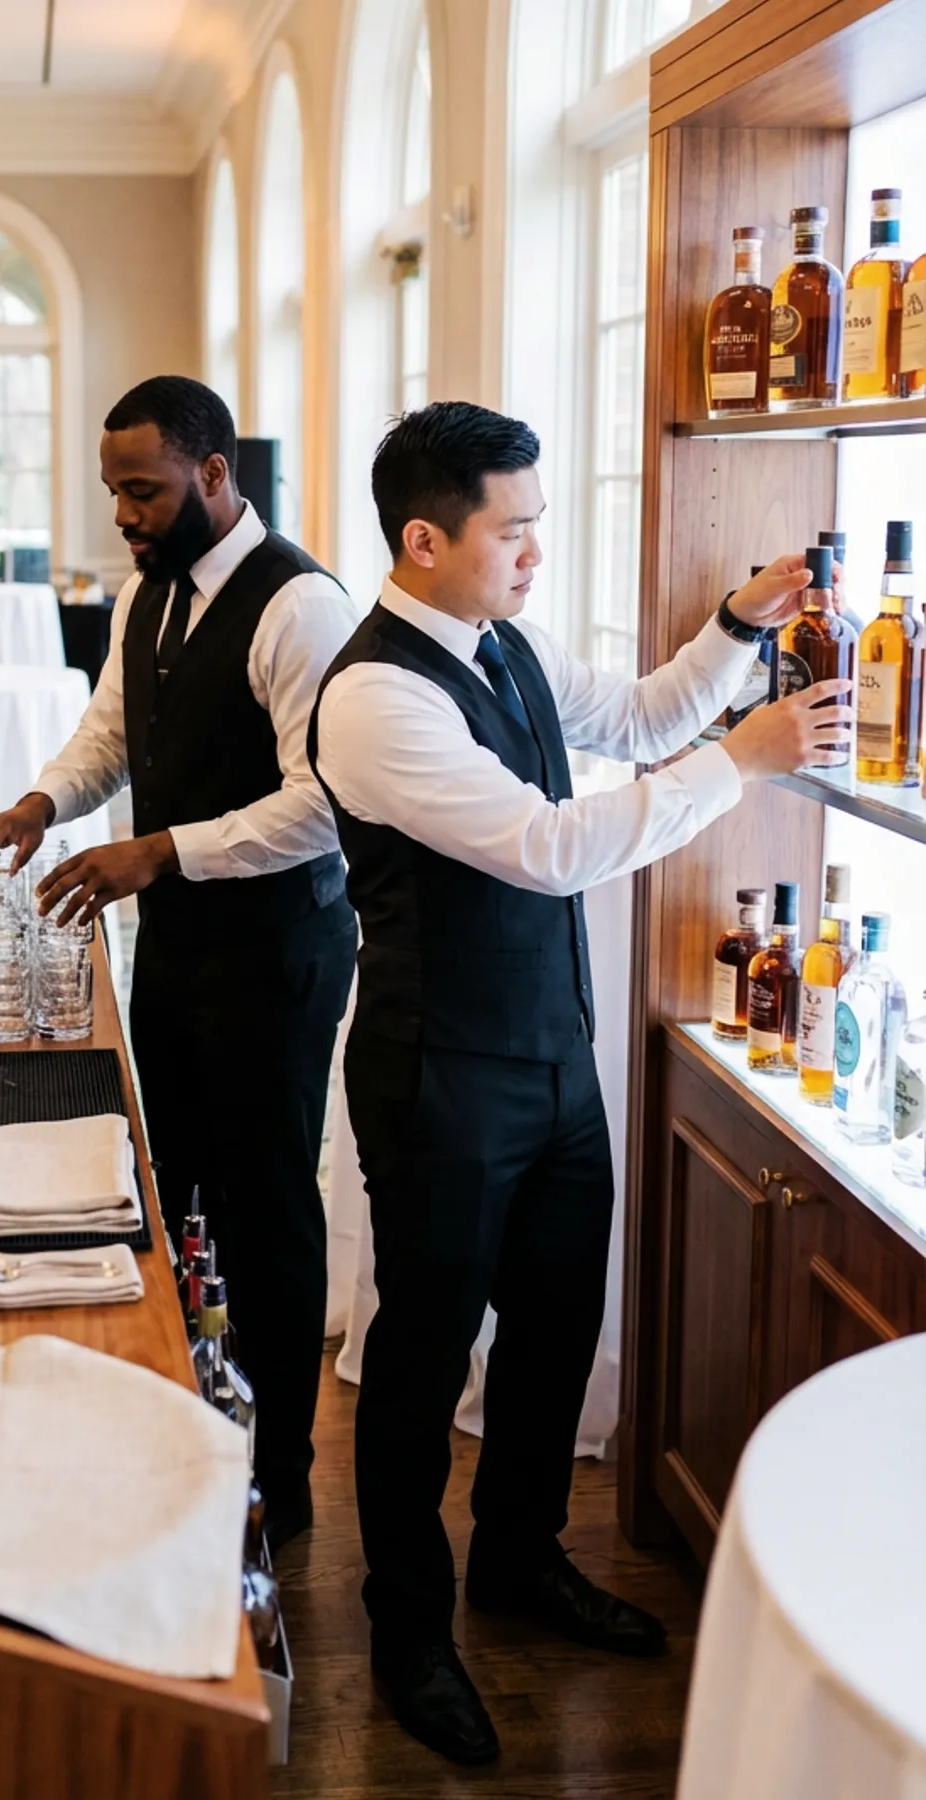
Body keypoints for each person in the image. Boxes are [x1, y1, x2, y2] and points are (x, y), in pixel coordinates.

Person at [306, 400, 853, 1767]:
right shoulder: (371, 696)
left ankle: (516, 1560)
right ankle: (410, 1629)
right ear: (425, 541)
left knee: (554, 1329)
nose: (537, 551)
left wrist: (733, 626)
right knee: (423, 1356)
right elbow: (548, 847)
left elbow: (640, 712)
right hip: (437, 1075)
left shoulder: (505, 643)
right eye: (518, 529)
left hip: (552, 1056)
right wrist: (737, 766)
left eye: (539, 524)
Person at [0, 375, 360, 1549]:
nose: (125, 515)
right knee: (173, 1187)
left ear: (214, 475)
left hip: (278, 954)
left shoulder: (302, 608)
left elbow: (325, 803)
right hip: (180, 945)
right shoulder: (149, 593)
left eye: (141, 490)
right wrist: (43, 801)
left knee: (267, 1215)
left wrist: (158, 851)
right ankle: (187, 1417)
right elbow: (113, 730)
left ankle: (278, 1478)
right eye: (113, 493)